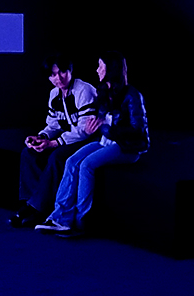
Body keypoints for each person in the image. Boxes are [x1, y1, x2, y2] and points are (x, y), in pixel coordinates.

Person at [39, 51, 149, 238]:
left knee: (86, 165)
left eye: (100, 66)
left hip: (127, 147)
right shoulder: (104, 92)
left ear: (111, 69)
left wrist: (106, 128)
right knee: (72, 161)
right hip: (107, 141)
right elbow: (102, 122)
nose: (97, 70)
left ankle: (82, 221)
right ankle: (60, 218)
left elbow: (138, 130)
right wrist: (95, 127)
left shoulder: (132, 95)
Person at [13, 54, 100, 227]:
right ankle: (32, 204)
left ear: (71, 71)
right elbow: (53, 124)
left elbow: (84, 130)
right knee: (29, 153)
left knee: (57, 157)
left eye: (62, 72)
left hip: (87, 140)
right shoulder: (54, 94)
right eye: (53, 74)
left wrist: (53, 143)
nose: (58, 78)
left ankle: (38, 209)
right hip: (68, 138)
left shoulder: (84, 90)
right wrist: (42, 137)